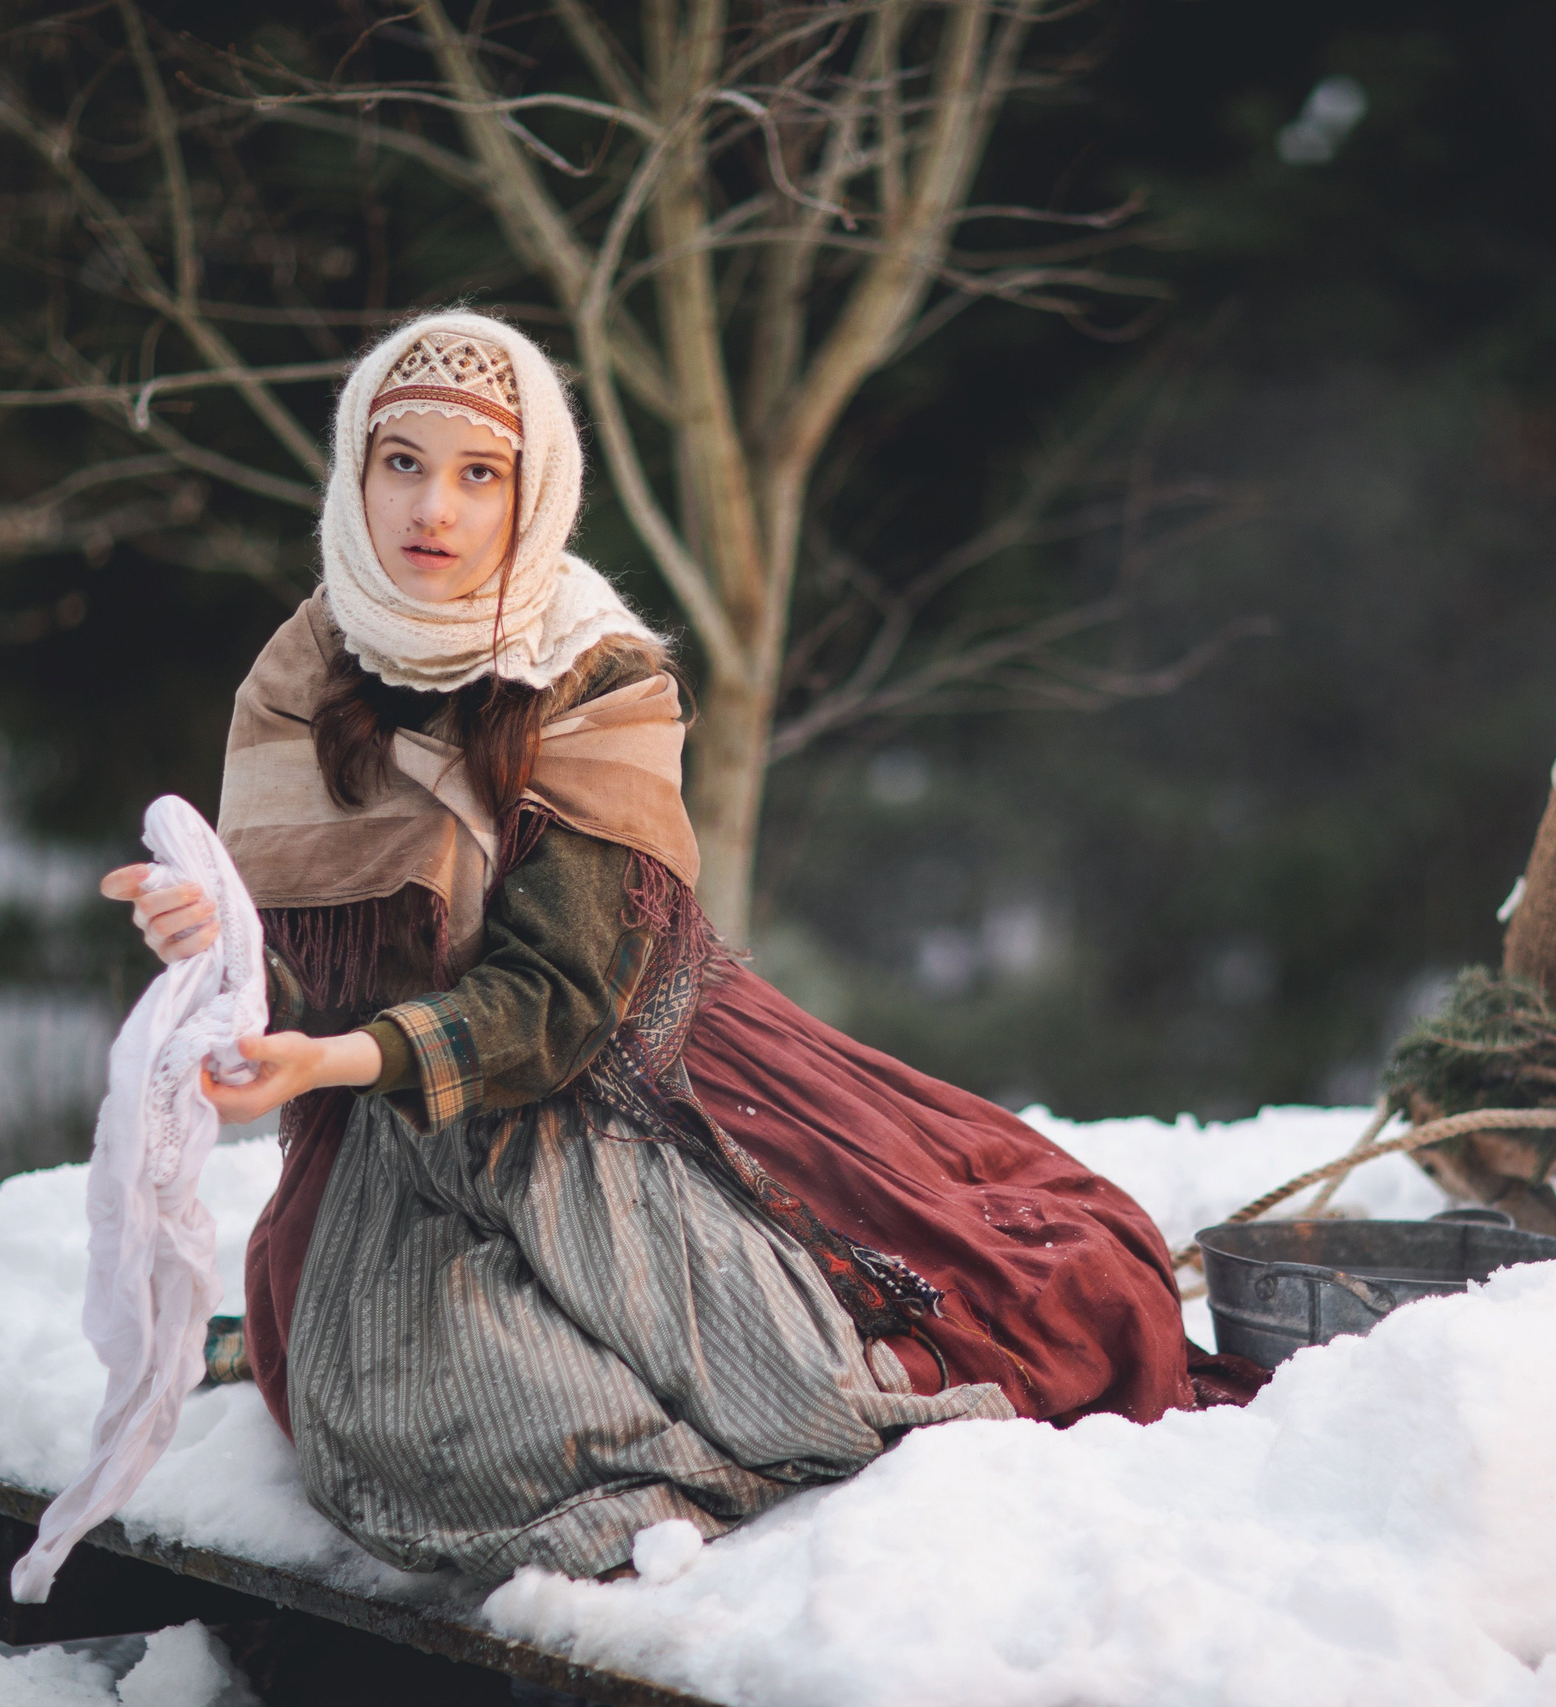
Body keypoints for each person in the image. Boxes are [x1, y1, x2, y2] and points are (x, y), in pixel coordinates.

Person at [100, 309, 1249, 1590]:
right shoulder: (302, 671)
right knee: (411, 1426)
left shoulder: (598, 676)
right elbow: (302, 947)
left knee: (858, 1333)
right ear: (354, 475)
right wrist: (213, 934)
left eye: (481, 474)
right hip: (391, 1113)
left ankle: (814, 1455)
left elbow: (558, 995)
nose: (434, 507)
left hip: (618, 1080)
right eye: (402, 463)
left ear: (533, 497)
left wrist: (339, 1056)